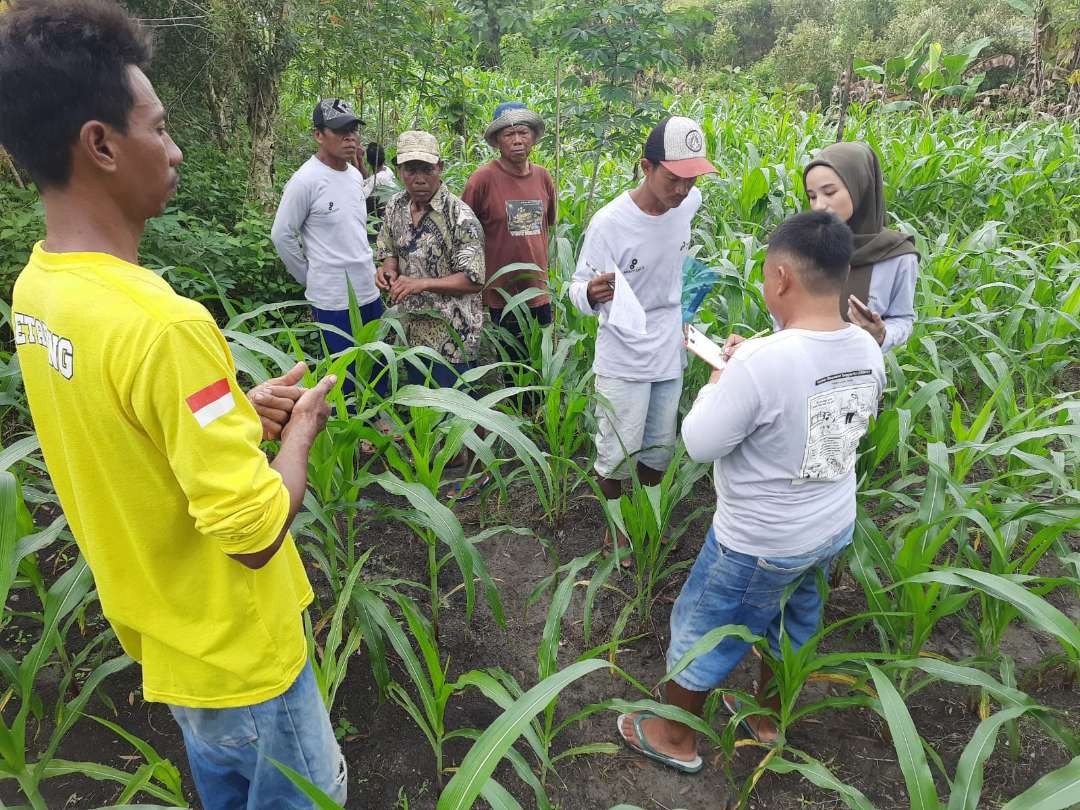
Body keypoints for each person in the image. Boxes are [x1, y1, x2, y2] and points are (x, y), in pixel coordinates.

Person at [0, 2, 346, 807]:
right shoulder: (164, 324)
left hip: (166, 642)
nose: (177, 149)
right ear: (101, 144)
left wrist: (229, 404)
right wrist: (298, 431)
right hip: (242, 650)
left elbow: (122, 424)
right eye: (160, 127)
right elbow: (255, 534)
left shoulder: (38, 289)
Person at [616, 211, 886, 773]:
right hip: (829, 525)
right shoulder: (866, 348)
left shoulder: (761, 364)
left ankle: (674, 736)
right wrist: (750, 363)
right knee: (794, 622)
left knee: (703, 628)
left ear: (782, 278)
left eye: (766, 275)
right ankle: (765, 720)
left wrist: (719, 379)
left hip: (758, 541)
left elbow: (699, 443)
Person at [568, 116, 716, 563]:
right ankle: (615, 531)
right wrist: (590, 294)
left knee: (659, 446)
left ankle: (650, 517)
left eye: (691, 181)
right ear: (646, 167)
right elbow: (576, 286)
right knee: (616, 450)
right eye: (673, 179)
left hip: (668, 342)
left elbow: (683, 231)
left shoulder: (687, 205)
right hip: (623, 349)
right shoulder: (610, 223)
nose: (683, 191)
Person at [271, 98, 388, 403]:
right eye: (340, 131)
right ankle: (349, 439)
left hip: (368, 288)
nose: (350, 137)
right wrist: (308, 278)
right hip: (333, 297)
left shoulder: (352, 175)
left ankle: (377, 422)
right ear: (318, 135)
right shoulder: (305, 181)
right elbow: (282, 234)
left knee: (377, 364)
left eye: (353, 129)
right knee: (343, 372)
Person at [803, 141, 920, 353]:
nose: (819, 205)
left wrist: (882, 334)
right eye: (812, 196)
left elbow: (903, 318)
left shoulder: (896, 255)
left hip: (860, 377)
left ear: (861, 186)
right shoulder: (805, 246)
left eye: (829, 192)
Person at [462, 102, 556, 346]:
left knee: (541, 362)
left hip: (538, 290)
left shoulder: (543, 177)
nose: (517, 140)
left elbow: (549, 225)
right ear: (497, 141)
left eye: (523, 133)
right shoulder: (482, 180)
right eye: (509, 134)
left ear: (533, 138)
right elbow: (464, 234)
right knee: (514, 365)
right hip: (503, 293)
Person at [363, 141, 398, 239]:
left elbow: (361, 196)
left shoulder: (378, 179)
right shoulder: (387, 170)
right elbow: (368, 180)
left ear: (369, 161)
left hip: (386, 215)